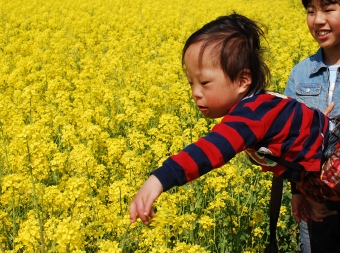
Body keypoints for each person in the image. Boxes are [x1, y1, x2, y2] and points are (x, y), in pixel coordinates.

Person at [129, 13, 338, 250]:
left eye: (205, 83)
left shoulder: (251, 115)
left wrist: (159, 180)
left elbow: (210, 150)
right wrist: (305, 192)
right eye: (191, 83)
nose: (196, 93)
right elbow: (295, 152)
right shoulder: (260, 104)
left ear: (242, 81)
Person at [284, 0, 340, 252]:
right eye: (310, 11)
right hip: (313, 211)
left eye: (328, 10)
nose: (317, 20)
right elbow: (285, 142)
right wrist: (299, 193)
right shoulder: (301, 73)